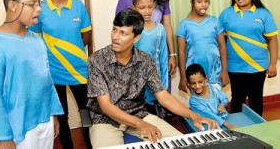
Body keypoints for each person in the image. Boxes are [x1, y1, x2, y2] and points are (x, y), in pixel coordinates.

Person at [86, 8, 219, 148]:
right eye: (114, 30)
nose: (115, 37)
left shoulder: (145, 61)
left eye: (123, 33)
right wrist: (140, 124)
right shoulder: (97, 60)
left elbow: (163, 96)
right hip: (106, 119)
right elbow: (106, 106)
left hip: (138, 113)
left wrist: (193, 116)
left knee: (182, 144)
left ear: (136, 38)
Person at [0, 0, 63, 149]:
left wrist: (53, 115)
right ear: (13, 5)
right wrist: (4, 138)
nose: (39, 9)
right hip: (19, 128)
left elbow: (46, 81)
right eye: (32, 4)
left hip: (44, 119)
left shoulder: (36, 39)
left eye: (39, 3)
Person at [28, 0, 92, 149]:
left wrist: (71, 53)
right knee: (62, 115)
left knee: (87, 112)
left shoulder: (78, 6)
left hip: (79, 71)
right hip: (53, 73)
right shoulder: (40, 9)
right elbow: (34, 39)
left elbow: (86, 36)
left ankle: (92, 144)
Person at [219, 0, 278, 116]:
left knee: (256, 100)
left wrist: (273, 63)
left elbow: (273, 39)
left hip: (258, 67)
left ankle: (258, 131)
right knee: (237, 101)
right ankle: (237, 133)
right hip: (234, 67)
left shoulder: (263, 13)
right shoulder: (226, 13)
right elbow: (219, 40)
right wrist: (224, 69)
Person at [115, 0, 177, 77]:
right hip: (134, 58)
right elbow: (119, 32)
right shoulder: (124, 0)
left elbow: (167, 26)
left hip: (159, 55)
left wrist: (172, 55)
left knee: (161, 91)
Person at [177, 0, 230, 93]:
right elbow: (181, 52)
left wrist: (225, 71)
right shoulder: (184, 25)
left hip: (215, 72)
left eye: (206, 1)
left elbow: (222, 47)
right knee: (199, 106)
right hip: (195, 75)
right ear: (192, 2)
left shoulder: (214, 21)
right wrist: (183, 77)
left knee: (216, 105)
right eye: (199, 1)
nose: (203, 4)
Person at [132, 0, 168, 116]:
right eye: (142, 8)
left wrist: (163, 85)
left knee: (156, 118)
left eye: (150, 7)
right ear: (134, 8)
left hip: (155, 80)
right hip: (135, 82)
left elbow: (163, 58)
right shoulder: (131, 30)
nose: (147, 11)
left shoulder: (160, 30)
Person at [186, 64, 238, 130]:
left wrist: (222, 105)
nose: (197, 86)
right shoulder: (193, 101)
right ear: (188, 83)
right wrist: (228, 125)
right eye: (193, 83)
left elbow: (224, 98)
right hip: (209, 126)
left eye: (200, 82)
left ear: (206, 79)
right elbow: (210, 115)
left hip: (225, 118)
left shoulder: (212, 88)